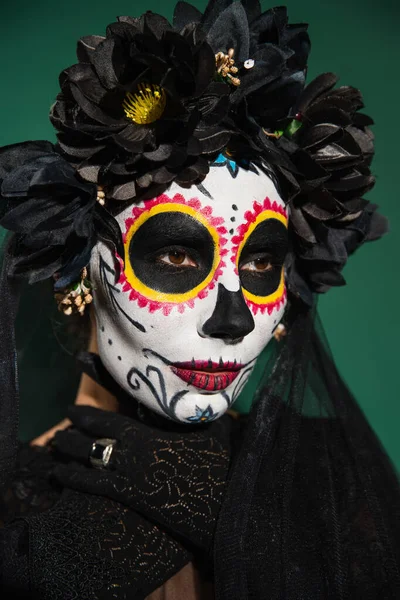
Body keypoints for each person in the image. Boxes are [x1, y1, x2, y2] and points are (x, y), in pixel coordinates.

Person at [0, 0, 399, 598]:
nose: (233, 319)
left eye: (263, 263)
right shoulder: (13, 507)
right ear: (82, 271)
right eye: (177, 256)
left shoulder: (334, 476)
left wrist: (246, 514)